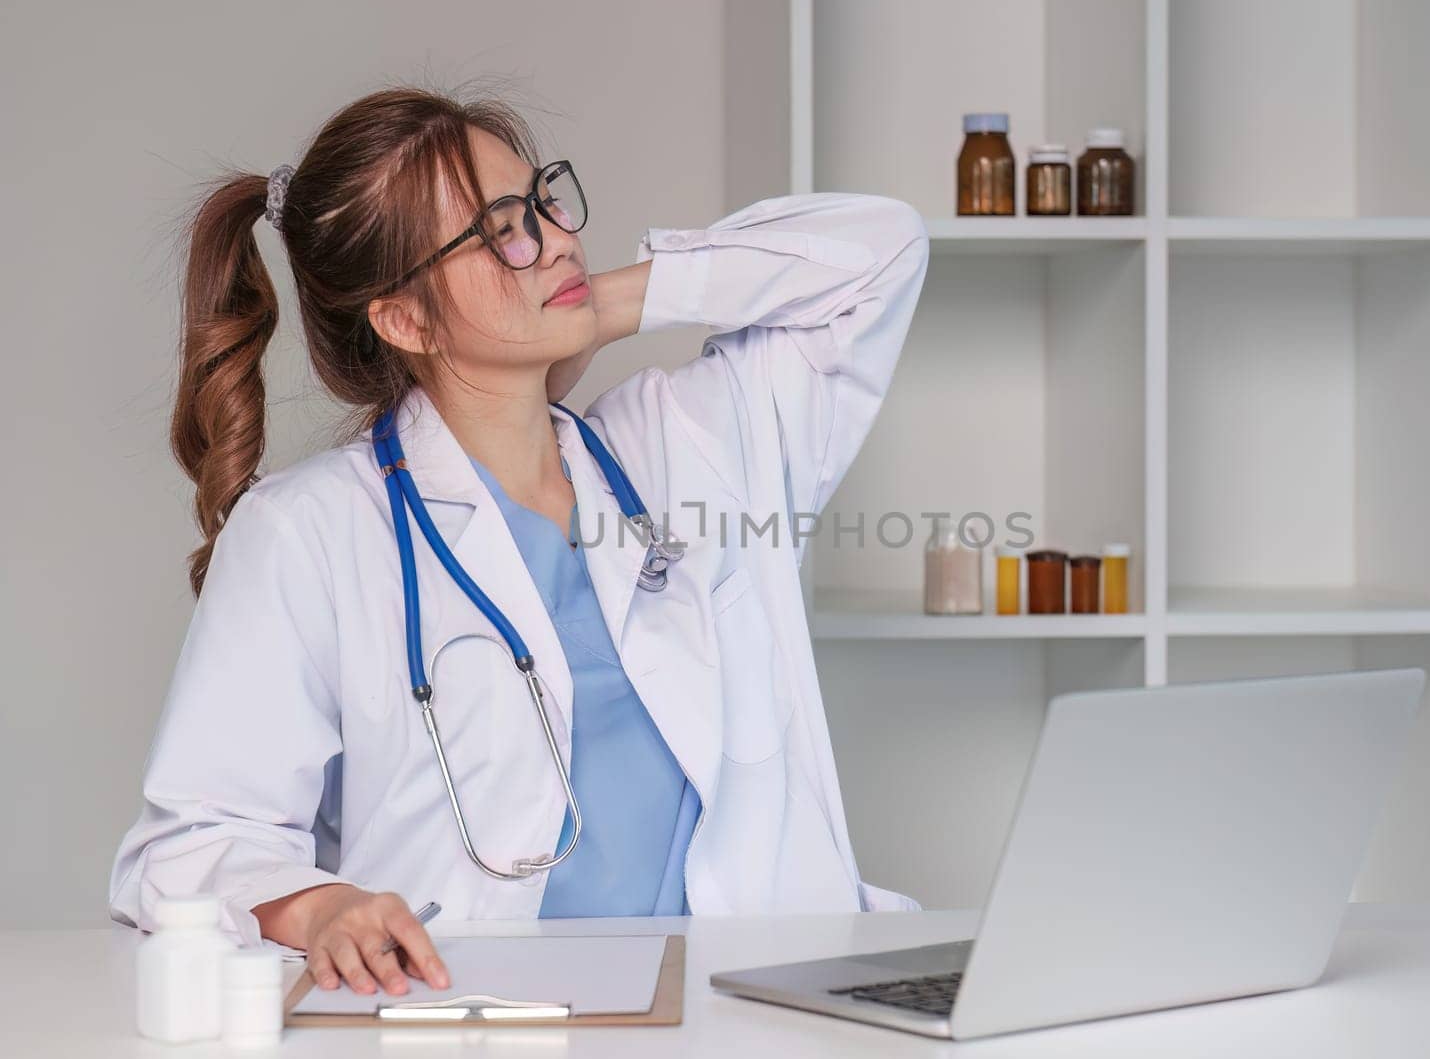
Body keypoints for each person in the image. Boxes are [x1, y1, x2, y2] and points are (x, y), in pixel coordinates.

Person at [107, 84, 930, 999]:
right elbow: (188, 848)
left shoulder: (691, 445)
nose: (556, 236)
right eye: (501, 230)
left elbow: (881, 248)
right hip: (483, 1010)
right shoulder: (311, 533)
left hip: (751, 1002)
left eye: (542, 201)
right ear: (405, 319)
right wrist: (322, 906)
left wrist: (600, 306)